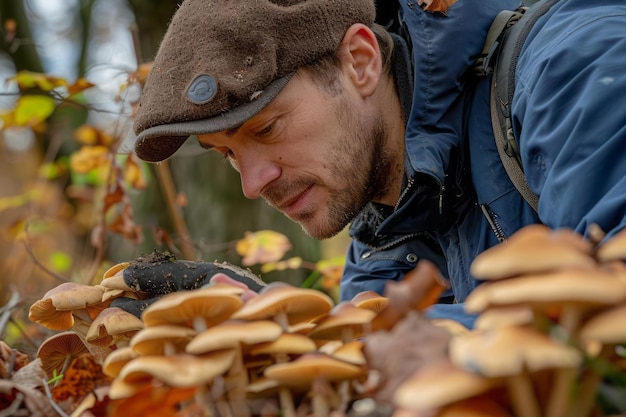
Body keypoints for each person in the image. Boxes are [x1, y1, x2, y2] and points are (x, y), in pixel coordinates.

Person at [126, 0, 626, 329]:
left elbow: (613, 310)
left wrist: (335, 336)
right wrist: (280, 326)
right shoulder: (383, 226)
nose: (254, 185)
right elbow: (371, 370)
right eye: (229, 155)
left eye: (267, 129)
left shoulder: (574, 72)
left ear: (361, 62)